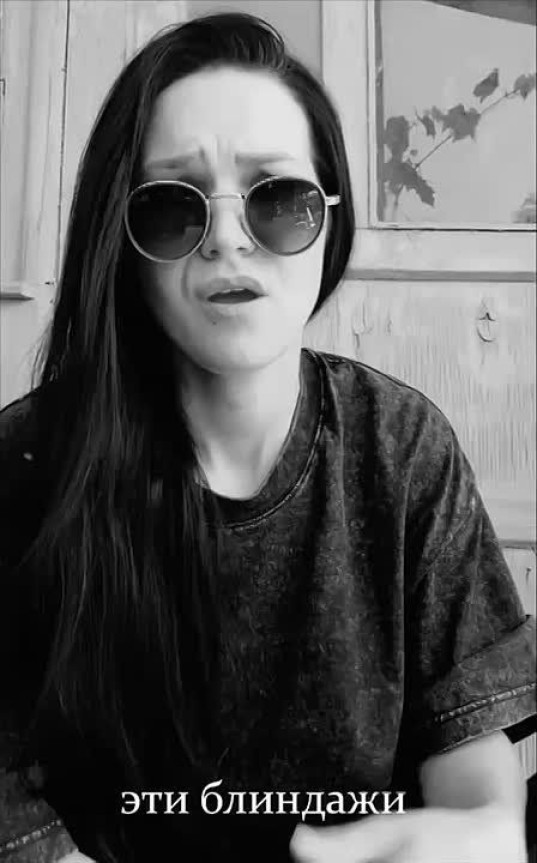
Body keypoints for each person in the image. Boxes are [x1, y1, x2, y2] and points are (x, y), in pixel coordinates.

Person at [0, 11, 535, 863]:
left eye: (278, 199)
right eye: (171, 208)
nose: (226, 238)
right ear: (121, 244)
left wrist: (472, 836)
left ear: (330, 218)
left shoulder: (401, 450)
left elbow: (475, 778)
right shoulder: (27, 464)